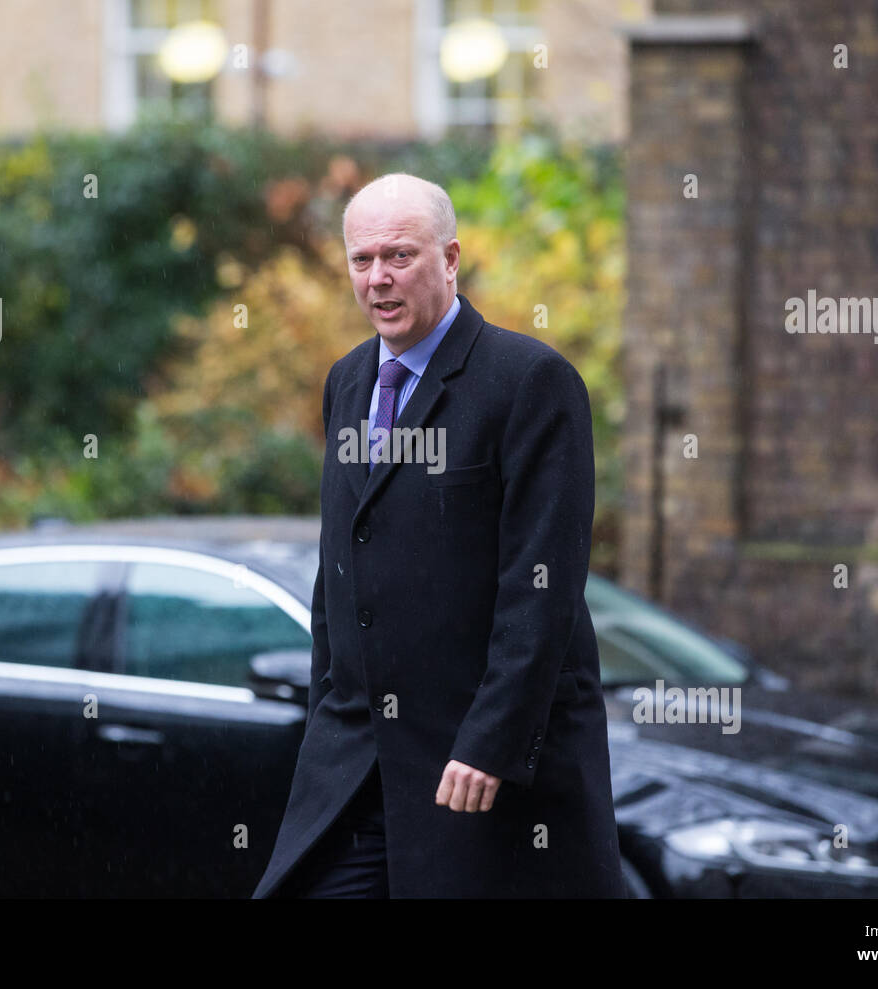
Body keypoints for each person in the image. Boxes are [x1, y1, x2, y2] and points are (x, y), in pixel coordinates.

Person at [253, 173, 625, 898]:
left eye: (400, 256)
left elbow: (540, 587)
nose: (379, 278)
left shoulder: (530, 382)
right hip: (358, 763)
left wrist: (491, 741)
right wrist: (327, 709)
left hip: (477, 773)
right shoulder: (348, 382)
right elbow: (342, 563)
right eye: (362, 260)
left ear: (450, 259)